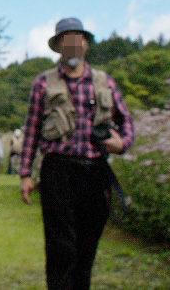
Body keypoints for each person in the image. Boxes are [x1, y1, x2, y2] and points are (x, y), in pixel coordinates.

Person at [19, 17, 134, 290]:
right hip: (57, 170)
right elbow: (32, 130)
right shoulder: (43, 83)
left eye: (77, 39)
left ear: (85, 44)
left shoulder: (105, 82)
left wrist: (123, 143)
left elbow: (126, 120)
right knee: (61, 246)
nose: (72, 45)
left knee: (87, 246)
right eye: (65, 40)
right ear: (58, 46)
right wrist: (25, 173)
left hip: (95, 171)